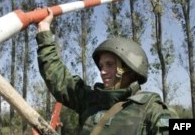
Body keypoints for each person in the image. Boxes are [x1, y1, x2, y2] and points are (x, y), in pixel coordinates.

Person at [35, 8, 178, 135]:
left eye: (110, 65)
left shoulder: (151, 109)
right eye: (102, 66)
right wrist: (44, 31)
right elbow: (57, 78)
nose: (103, 71)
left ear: (129, 68)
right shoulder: (89, 100)